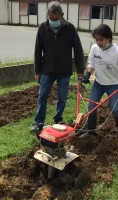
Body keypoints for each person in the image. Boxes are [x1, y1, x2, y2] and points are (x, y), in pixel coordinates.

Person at [31, 1, 85, 132]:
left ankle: (58, 119)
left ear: (61, 15)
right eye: (51, 18)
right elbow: (38, 50)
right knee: (42, 96)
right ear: (48, 16)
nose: (53, 21)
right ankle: (38, 122)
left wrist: (80, 71)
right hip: (46, 70)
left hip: (64, 70)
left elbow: (78, 50)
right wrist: (37, 71)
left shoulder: (70, 29)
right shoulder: (43, 28)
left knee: (62, 98)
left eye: (56, 19)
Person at [79, 24, 118, 142]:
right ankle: (91, 131)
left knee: (116, 109)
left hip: (113, 84)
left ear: (108, 38)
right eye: (96, 40)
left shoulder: (117, 52)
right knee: (91, 107)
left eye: (101, 39)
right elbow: (91, 64)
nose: (98, 42)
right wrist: (88, 75)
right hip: (98, 83)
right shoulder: (94, 48)